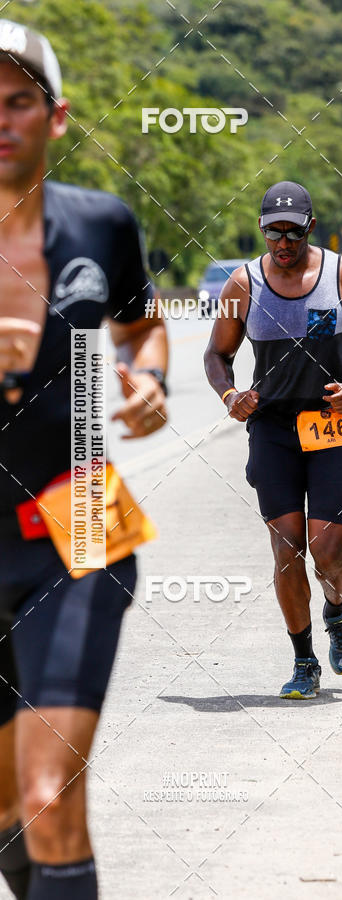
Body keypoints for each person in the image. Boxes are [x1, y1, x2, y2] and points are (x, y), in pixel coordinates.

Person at [0, 21, 168, 899]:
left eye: (17, 99)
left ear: (55, 117)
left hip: (80, 520)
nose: (0, 118)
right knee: (6, 810)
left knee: (47, 793)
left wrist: (147, 380)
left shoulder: (103, 223)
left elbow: (143, 329)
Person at [204, 180, 342, 700]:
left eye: (292, 231)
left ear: (311, 226)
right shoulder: (243, 286)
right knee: (287, 551)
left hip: (328, 427)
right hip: (272, 431)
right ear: (262, 231)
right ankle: (304, 660)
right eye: (272, 233)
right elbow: (215, 356)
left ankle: (337, 612)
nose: (283, 242)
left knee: (326, 551)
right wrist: (230, 396)